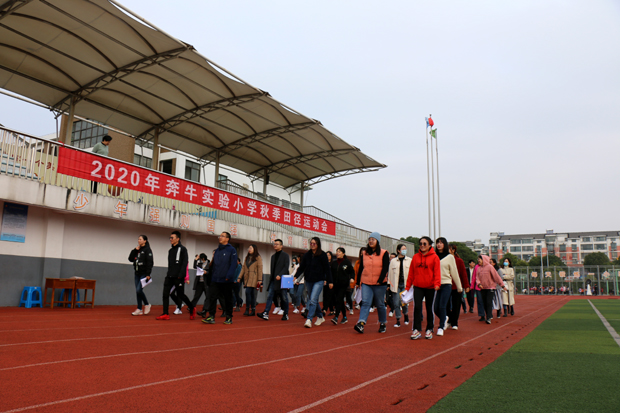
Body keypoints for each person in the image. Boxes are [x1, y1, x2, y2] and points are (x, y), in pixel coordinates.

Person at [354, 232, 390, 334]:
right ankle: (361, 323)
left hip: (379, 284)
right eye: (369, 239)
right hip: (366, 282)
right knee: (365, 302)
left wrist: (380, 280)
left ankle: (382, 323)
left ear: (377, 241)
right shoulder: (364, 253)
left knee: (380, 304)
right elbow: (361, 268)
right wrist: (358, 281)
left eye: (373, 239)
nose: (371, 241)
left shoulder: (384, 253)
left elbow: (385, 268)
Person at [407, 236, 441, 340]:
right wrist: (408, 286)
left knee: (429, 308)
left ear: (430, 245)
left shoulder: (435, 257)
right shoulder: (415, 257)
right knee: (417, 307)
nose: (422, 245)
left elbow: (437, 272)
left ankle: (429, 329)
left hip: (430, 287)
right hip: (418, 286)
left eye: (424, 243)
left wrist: (437, 284)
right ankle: (416, 330)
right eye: (420, 243)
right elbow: (411, 272)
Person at [156, 231, 195, 321]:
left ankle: (191, 308)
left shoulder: (183, 249)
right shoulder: (170, 251)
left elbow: (184, 263)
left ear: (178, 239)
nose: (170, 239)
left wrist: (181, 275)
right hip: (169, 276)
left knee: (181, 295)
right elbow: (170, 264)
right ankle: (165, 313)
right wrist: (168, 274)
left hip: (179, 277)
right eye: (170, 238)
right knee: (165, 294)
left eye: (172, 238)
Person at [201, 232, 238, 325]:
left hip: (226, 280)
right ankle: (211, 316)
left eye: (222, 236)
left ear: (227, 239)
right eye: (220, 236)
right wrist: (211, 275)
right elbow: (214, 265)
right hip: (215, 279)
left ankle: (229, 317)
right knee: (212, 297)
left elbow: (233, 264)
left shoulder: (232, 250)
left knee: (228, 299)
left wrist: (229, 276)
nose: (220, 237)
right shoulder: (217, 250)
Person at [296, 237, 332, 328]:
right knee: (313, 300)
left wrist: (330, 281)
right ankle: (320, 316)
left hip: (319, 280)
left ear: (318, 244)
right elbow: (302, 267)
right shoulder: (307, 255)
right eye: (311, 243)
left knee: (312, 300)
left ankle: (309, 319)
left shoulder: (323, 255)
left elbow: (327, 269)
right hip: (308, 280)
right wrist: (296, 276)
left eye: (314, 243)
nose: (312, 245)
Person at [433, 237, 462, 336]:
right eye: (437, 242)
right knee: (435, 308)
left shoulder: (450, 257)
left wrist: (459, 287)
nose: (439, 244)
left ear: (445, 244)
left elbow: (454, 273)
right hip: (436, 285)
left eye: (441, 243)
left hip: (446, 284)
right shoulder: (434, 256)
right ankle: (445, 317)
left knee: (442, 306)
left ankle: (441, 327)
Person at [257, 239, 291, 321]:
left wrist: (280, 275)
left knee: (284, 297)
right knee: (270, 296)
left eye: (277, 244)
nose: (275, 245)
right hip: (273, 280)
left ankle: (286, 314)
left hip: (283, 280)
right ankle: (266, 313)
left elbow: (286, 267)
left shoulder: (285, 255)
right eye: (274, 244)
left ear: (281, 246)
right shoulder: (273, 257)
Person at [476, 255, 506, 324]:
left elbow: (496, 277)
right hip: (483, 288)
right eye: (478, 259)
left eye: (480, 259)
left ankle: (489, 317)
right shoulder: (479, 269)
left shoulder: (490, 267)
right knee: (484, 303)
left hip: (490, 288)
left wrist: (502, 285)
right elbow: (477, 278)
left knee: (489, 302)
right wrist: (479, 284)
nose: (479, 260)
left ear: (484, 259)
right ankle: (488, 315)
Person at [387, 244, 412, 328]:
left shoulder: (409, 260)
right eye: (403, 249)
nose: (405, 250)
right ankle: (398, 320)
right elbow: (390, 273)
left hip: (405, 285)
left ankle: (406, 315)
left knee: (404, 302)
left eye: (405, 249)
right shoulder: (393, 261)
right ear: (398, 250)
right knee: (396, 303)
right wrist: (389, 284)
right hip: (395, 285)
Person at [128, 234, 153, 316]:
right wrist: (134, 250)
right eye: (138, 239)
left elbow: (150, 262)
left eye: (140, 239)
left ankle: (147, 304)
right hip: (137, 273)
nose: (139, 240)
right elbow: (130, 259)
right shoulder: (137, 249)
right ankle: (139, 309)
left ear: (145, 241)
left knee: (139, 290)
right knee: (138, 291)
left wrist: (148, 274)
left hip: (144, 274)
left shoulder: (147, 250)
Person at [447, 244, 469, 330]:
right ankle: (450, 319)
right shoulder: (444, 260)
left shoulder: (459, 261)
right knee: (445, 305)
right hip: (446, 286)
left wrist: (466, 285)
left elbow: (463, 274)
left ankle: (454, 323)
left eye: (449, 249)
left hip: (457, 286)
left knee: (456, 305)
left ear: (453, 250)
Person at [330, 247, 355, 325]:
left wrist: (352, 278)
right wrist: (330, 282)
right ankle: (344, 317)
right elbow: (331, 274)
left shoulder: (347, 262)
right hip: (335, 285)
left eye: (339, 251)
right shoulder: (334, 263)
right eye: (337, 251)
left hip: (344, 285)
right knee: (339, 300)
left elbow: (352, 271)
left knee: (339, 299)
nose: (337, 253)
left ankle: (336, 317)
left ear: (343, 254)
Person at [237, 244, 263, 316]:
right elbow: (243, 268)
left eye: (251, 248)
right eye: (249, 248)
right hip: (247, 278)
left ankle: (253, 309)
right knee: (247, 293)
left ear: (254, 249)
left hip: (255, 278)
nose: (249, 249)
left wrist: (260, 280)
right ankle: (247, 309)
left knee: (253, 295)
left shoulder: (258, 258)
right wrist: (239, 277)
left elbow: (260, 269)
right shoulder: (247, 258)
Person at [191, 253, 210, 317]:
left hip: (206, 283)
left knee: (208, 297)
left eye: (200, 259)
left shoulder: (209, 264)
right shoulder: (200, 264)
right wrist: (195, 260)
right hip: (200, 283)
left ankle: (205, 310)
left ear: (203, 258)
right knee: (196, 295)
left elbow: (211, 272)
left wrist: (206, 272)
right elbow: (194, 266)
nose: (200, 260)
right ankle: (191, 306)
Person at [323, 251, 335, 316]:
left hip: (332, 282)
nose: (327, 256)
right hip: (325, 282)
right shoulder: (324, 264)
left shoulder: (333, 264)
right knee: (326, 296)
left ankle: (324, 310)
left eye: (329, 255)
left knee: (328, 296)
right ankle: (332, 310)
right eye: (326, 255)